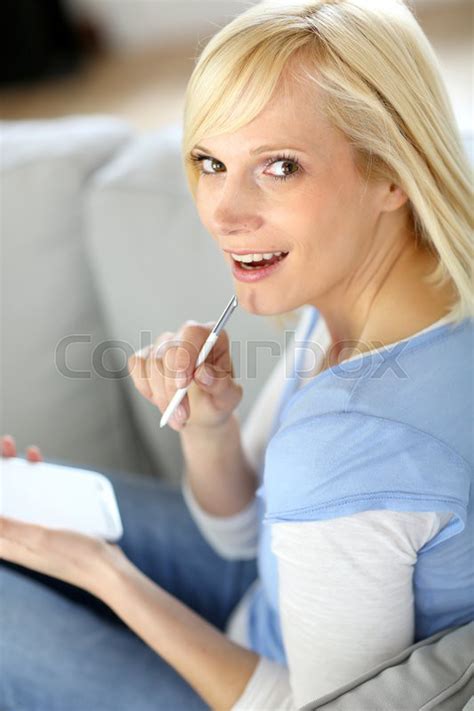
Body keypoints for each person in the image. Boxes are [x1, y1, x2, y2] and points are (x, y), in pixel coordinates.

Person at [1, 0, 472, 709]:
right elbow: (244, 539)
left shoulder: (351, 442)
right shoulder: (383, 294)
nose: (222, 212)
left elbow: (307, 705)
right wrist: (209, 427)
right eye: (212, 161)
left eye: (280, 166)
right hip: (264, 598)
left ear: (391, 170)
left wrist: (104, 574)